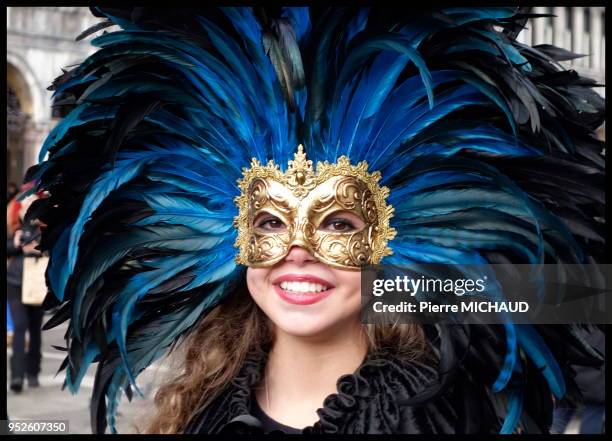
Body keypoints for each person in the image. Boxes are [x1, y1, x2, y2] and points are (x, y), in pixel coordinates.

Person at [25, 6, 604, 434]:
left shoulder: (449, 411)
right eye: (271, 223)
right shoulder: (199, 414)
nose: (297, 249)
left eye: (340, 225)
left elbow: (581, 297)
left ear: (391, 239)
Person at [6, 185, 44, 393]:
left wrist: (36, 249)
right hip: (14, 283)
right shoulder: (14, 229)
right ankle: (17, 375)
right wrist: (16, 244)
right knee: (20, 326)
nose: (27, 206)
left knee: (35, 329)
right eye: (24, 203)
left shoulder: (44, 229)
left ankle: (33, 371)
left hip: (36, 284)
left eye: (32, 202)